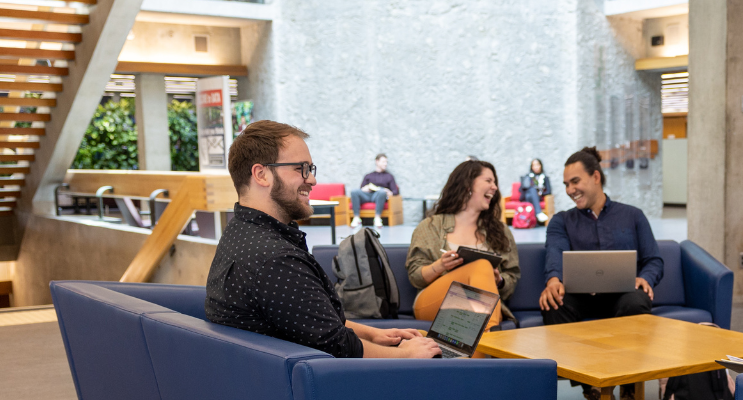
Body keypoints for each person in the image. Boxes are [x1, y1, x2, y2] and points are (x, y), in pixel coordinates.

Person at [205, 120, 439, 359]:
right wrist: (406, 355)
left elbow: (308, 322)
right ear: (261, 174)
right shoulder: (276, 260)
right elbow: (335, 345)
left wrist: (372, 334)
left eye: (310, 169)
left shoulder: (242, 230)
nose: (312, 180)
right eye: (300, 169)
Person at [540, 147, 662, 400]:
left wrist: (645, 278)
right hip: (580, 299)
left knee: (637, 300)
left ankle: (630, 383)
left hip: (621, 297)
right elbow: (555, 254)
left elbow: (654, 260)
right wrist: (553, 280)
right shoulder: (561, 221)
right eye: (566, 184)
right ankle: (590, 385)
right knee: (553, 304)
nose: (569, 190)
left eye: (575, 181)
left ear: (596, 177)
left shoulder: (633, 216)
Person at [406, 160, 520, 333]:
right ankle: (490, 341)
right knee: (482, 266)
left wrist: (499, 280)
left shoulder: (500, 231)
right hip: (433, 302)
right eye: (488, 181)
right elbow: (415, 276)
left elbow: (511, 278)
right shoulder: (431, 226)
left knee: (474, 317)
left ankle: (482, 345)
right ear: (468, 184)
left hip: (483, 307)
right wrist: (440, 266)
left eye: (495, 182)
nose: (495, 187)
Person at [350, 153, 401, 228]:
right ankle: (356, 218)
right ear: (377, 161)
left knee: (381, 192)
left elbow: (395, 191)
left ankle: (377, 218)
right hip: (367, 195)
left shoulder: (389, 176)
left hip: (379, 196)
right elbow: (361, 188)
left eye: (386, 162)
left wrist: (389, 192)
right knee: (354, 191)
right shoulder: (368, 175)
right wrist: (365, 188)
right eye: (383, 162)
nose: (385, 164)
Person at [520, 158, 554, 224]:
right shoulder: (528, 177)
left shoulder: (545, 177)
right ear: (531, 167)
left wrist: (541, 194)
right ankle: (538, 213)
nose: (536, 167)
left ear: (541, 166)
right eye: (534, 165)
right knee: (532, 190)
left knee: (532, 192)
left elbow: (549, 191)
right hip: (527, 196)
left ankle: (532, 221)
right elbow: (522, 189)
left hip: (538, 197)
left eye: (537, 165)